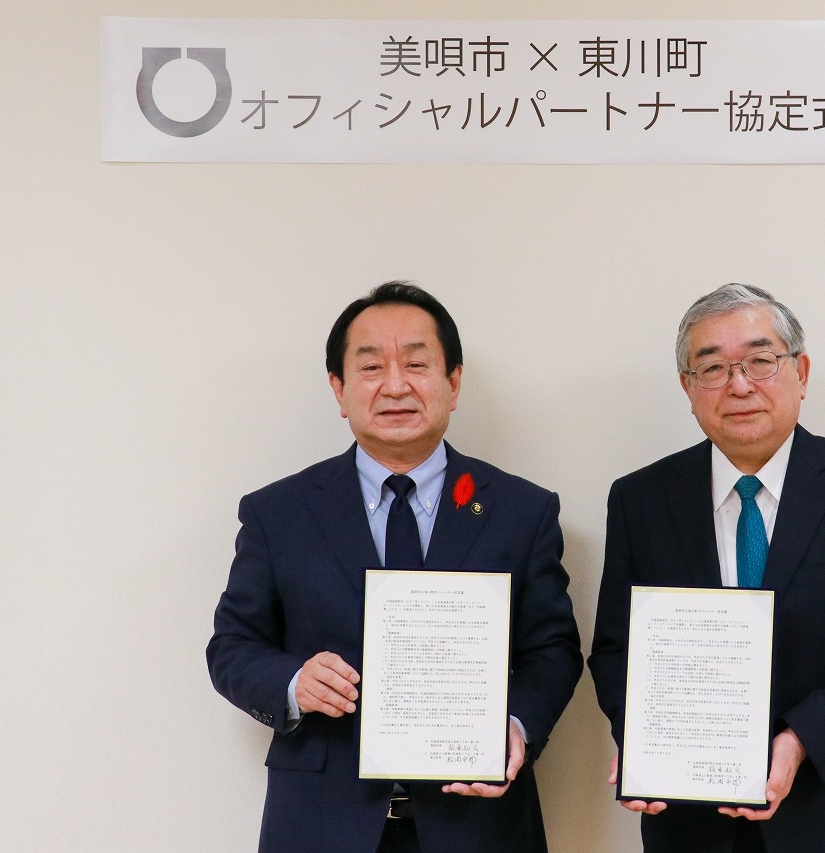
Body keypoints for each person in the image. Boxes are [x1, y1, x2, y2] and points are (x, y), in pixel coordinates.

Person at [208, 281, 583, 853]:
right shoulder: (278, 512)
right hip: (320, 825)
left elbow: (552, 649)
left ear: (453, 382)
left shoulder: (521, 510)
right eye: (370, 367)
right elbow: (232, 646)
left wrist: (516, 726)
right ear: (339, 389)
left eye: (416, 364)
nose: (395, 385)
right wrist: (293, 682)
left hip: (479, 822)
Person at [588, 283, 825, 853]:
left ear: (800, 372)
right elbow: (616, 648)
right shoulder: (641, 499)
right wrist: (646, 739)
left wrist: (803, 740)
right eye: (713, 368)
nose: (739, 385)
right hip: (691, 824)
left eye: (760, 361)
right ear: (687, 387)